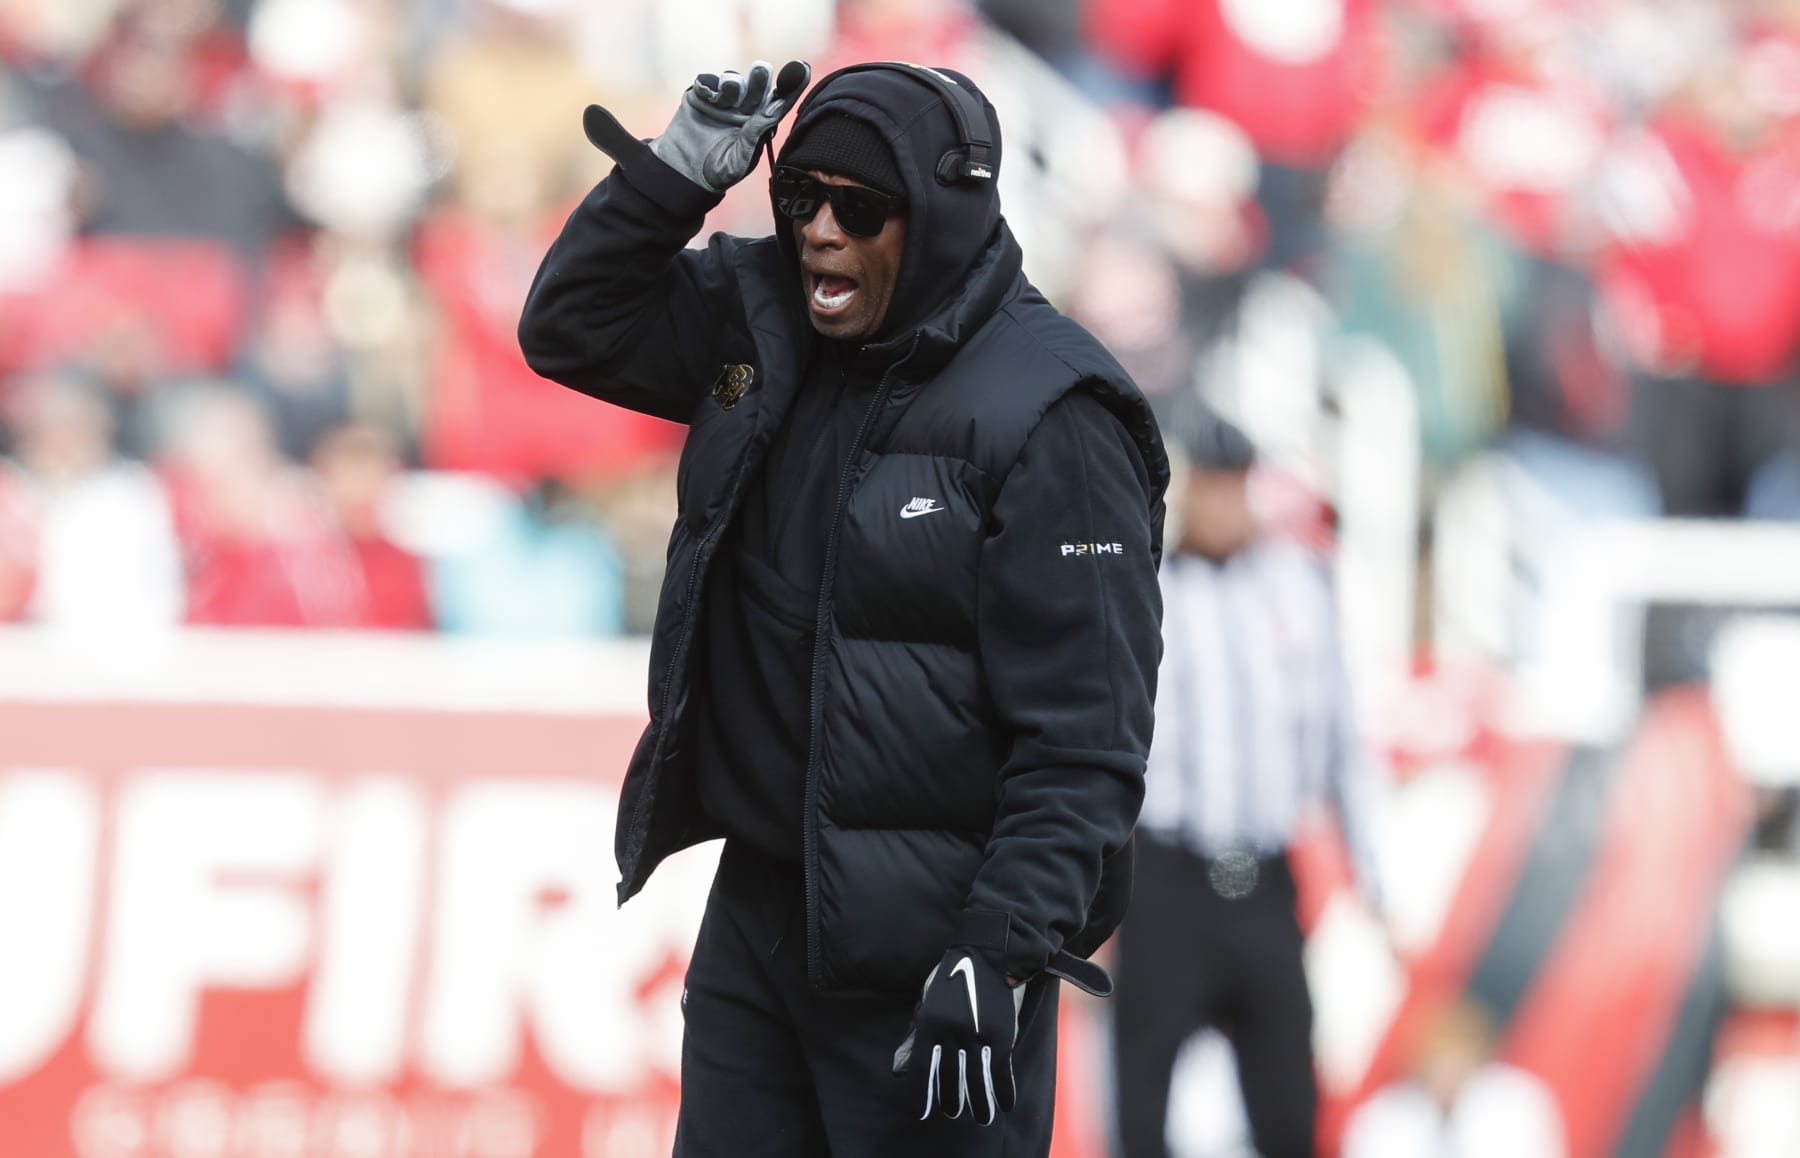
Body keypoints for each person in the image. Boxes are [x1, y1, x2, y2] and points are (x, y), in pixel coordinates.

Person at [518, 59, 1168, 1156]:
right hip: (762, 921)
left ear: (945, 212)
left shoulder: (1059, 416)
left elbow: (1087, 740)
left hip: (940, 955)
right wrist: (673, 175)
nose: (818, 229)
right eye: (798, 197)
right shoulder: (758, 320)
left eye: (859, 208)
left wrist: (1000, 949)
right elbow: (570, 327)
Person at [1110, 415, 1384, 1158]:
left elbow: (1338, 738)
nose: (1224, 508)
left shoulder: (1297, 587)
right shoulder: (1143, 584)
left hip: (1263, 879)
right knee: (1143, 1103)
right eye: (1212, 488)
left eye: (1238, 490)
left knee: (1289, 1106)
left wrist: (1374, 878)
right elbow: (1101, 742)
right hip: (1167, 876)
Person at [1342, 996, 1566, 1158]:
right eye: (1436, 1059)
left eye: (1455, 1057)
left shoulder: (1520, 1102)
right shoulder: (1380, 1117)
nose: (1446, 1072)